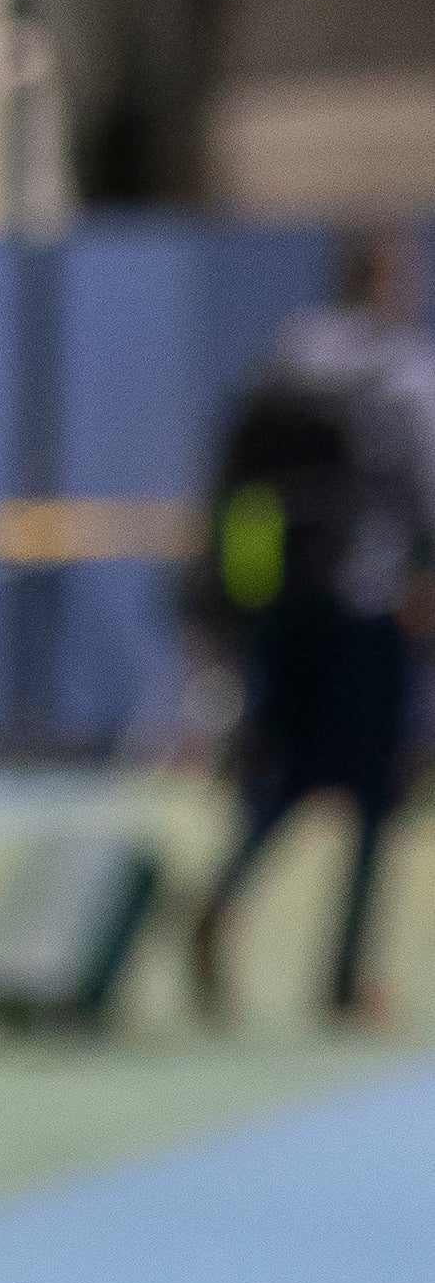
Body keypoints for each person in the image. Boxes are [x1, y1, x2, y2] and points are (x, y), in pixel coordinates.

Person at [188, 232, 435, 1031]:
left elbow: (232, 495)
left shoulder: (282, 364)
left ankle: (219, 903)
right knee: (375, 793)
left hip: (282, 613)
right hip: (367, 610)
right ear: (389, 280)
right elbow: (420, 494)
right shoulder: (403, 375)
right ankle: (343, 979)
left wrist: (230, 610)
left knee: (284, 779)